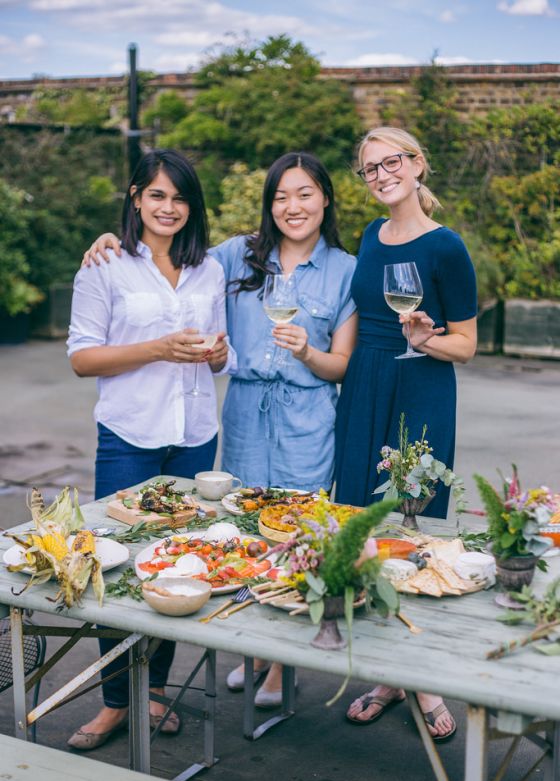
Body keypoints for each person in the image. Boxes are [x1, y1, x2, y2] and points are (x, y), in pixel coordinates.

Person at [82, 151, 358, 707]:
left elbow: (344, 367)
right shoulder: (235, 256)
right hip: (240, 414)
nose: (292, 206)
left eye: (304, 194)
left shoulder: (346, 269)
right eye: (280, 196)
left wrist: (307, 352)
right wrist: (109, 237)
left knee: (297, 534)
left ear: (326, 198)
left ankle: (277, 662)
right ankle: (238, 657)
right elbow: (166, 250)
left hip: (305, 416)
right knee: (241, 533)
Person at [67, 149, 235, 749]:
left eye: (180, 197)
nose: (169, 208)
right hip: (129, 437)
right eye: (157, 195)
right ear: (136, 196)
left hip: (193, 436)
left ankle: (155, 692)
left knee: (175, 564)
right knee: (113, 567)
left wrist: (218, 356)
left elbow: (223, 352)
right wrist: (157, 348)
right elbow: (83, 357)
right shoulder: (105, 265)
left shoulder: (209, 269)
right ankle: (115, 702)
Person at [335, 126, 477, 738]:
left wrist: (427, 340)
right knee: (366, 529)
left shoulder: (447, 248)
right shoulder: (370, 235)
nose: (381, 174)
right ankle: (391, 675)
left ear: (418, 165)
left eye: (391, 162)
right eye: (370, 168)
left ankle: (419, 679)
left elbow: (466, 345)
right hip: (364, 387)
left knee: (410, 532)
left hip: (419, 390)